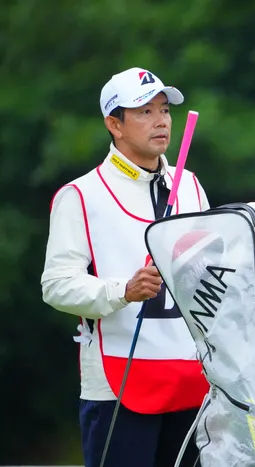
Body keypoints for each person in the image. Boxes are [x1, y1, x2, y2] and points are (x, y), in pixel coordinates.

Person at [41, 67, 211, 467]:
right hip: (117, 384)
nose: (161, 121)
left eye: (164, 110)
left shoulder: (190, 185)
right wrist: (123, 291)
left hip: (193, 380)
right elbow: (56, 285)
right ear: (114, 125)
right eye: (144, 112)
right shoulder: (80, 195)